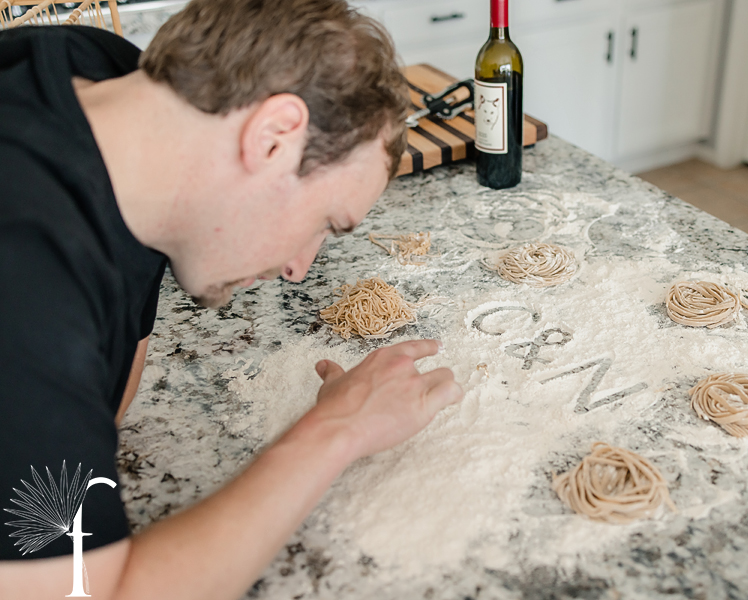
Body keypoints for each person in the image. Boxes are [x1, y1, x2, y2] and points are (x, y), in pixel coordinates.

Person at [0, 0, 463, 597]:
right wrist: (338, 428)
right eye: (325, 220)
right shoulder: (26, 287)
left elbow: (105, 394)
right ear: (273, 137)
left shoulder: (99, 75)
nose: (300, 268)